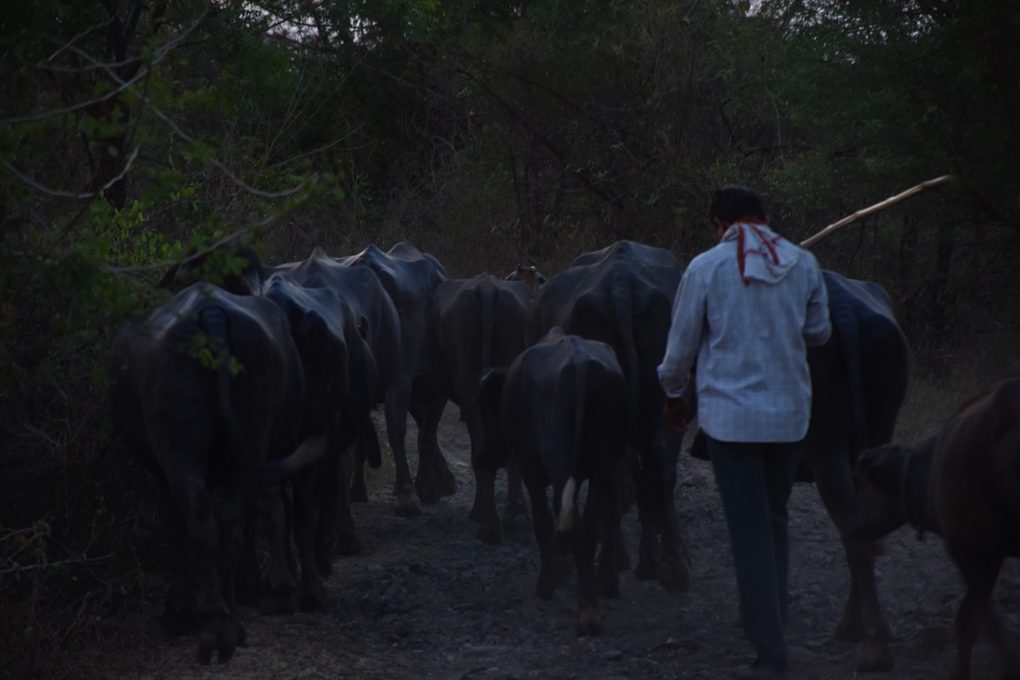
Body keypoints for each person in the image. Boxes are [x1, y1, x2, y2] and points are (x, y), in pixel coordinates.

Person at [657, 186, 831, 680]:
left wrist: (674, 395)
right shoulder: (803, 262)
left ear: (718, 223)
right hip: (790, 420)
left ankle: (771, 654)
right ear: (765, 217)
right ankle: (769, 622)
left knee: (750, 531)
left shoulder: (706, 268)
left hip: (732, 424)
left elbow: (680, 350)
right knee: (775, 520)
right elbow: (819, 333)